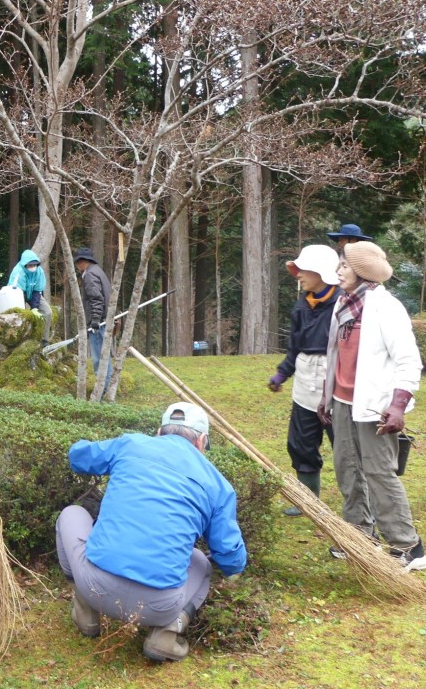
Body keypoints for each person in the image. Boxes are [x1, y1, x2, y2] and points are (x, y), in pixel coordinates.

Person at [55, 403, 246, 662]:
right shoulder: (218, 485)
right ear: (202, 441)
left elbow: (78, 456)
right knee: (201, 562)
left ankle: (86, 610)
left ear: (158, 432)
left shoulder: (131, 444)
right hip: (160, 607)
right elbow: (232, 559)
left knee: (71, 514)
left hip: (94, 587)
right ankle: (167, 632)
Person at [318, 241, 426, 570]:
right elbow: (336, 356)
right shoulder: (344, 304)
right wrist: (327, 398)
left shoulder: (386, 308)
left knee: (380, 474)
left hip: (375, 407)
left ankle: (408, 546)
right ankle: (359, 535)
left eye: (345, 266)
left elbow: (409, 361)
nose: (338, 271)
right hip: (342, 403)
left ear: (363, 273)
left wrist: (397, 406)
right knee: (347, 470)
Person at [267, 245, 341, 516]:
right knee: (301, 442)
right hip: (304, 380)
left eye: (303, 269)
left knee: (343, 446)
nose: (297, 274)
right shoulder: (302, 304)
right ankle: (309, 501)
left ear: (321, 272)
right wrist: (283, 373)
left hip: (335, 380)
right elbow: (295, 344)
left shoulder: (343, 304)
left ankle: (356, 506)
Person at [73, 247, 112, 389]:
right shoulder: (98, 271)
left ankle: (102, 392)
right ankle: (105, 390)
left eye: (78, 263)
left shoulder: (90, 274)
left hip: (98, 324)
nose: (77, 266)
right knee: (104, 358)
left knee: (100, 360)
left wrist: (95, 319)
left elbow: (96, 298)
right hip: (103, 320)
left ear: (82, 262)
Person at [7, 249, 53, 346]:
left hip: (33, 293)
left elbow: (37, 290)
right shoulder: (18, 272)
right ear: (25, 264)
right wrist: (27, 309)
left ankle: (44, 339)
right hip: (17, 294)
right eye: (30, 265)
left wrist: (35, 307)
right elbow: (18, 293)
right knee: (22, 315)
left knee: (47, 312)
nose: (33, 267)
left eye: (34, 265)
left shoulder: (39, 272)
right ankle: (20, 340)